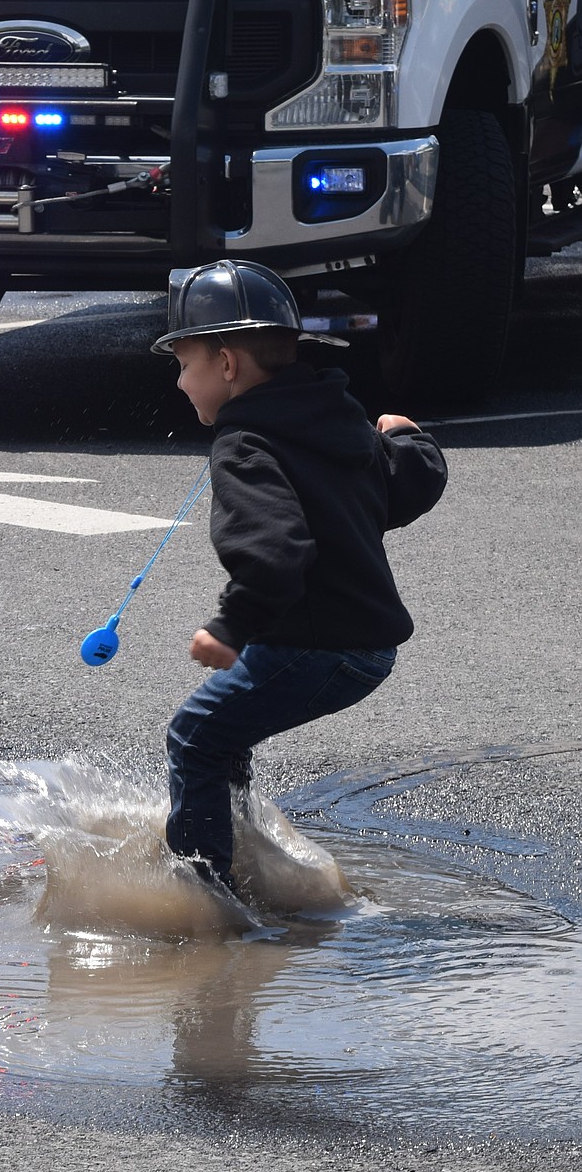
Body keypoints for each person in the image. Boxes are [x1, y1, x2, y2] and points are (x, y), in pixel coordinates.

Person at [151, 259, 448, 895]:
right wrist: (411, 438)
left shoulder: (245, 446)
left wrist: (229, 628)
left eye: (184, 363)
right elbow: (407, 487)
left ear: (226, 364)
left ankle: (204, 896)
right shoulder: (336, 420)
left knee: (195, 734)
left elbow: (275, 552)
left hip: (318, 648)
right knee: (225, 733)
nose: (179, 383)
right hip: (366, 647)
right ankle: (238, 850)